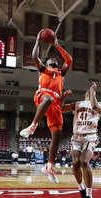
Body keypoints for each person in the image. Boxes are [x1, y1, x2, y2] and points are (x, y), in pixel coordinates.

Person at [20, 30, 73, 184]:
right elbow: (34, 57)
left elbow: (69, 59)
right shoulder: (44, 70)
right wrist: (37, 39)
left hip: (55, 103)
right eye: (51, 58)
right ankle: (33, 126)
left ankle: (49, 166)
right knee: (49, 98)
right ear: (48, 63)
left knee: (57, 136)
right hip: (43, 96)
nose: (54, 58)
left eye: (55, 58)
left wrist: (57, 45)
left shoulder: (61, 73)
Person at [61, 82, 101, 198]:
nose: (90, 95)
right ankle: (81, 189)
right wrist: (63, 96)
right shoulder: (77, 104)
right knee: (75, 164)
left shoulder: (100, 104)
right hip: (77, 137)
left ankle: (89, 196)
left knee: (84, 162)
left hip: (90, 137)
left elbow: (95, 106)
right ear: (85, 95)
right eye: (89, 93)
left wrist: (93, 91)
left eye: (92, 94)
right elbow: (61, 108)